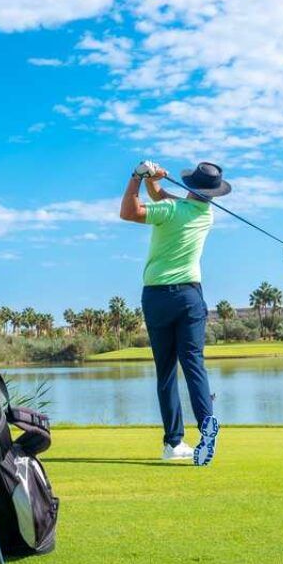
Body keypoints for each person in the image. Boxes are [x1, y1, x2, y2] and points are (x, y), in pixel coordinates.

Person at [119, 161, 231, 465]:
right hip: (190, 297)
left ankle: (173, 442)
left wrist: (136, 177)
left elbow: (129, 212)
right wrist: (154, 180)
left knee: (166, 371)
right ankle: (206, 422)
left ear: (191, 186)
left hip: (156, 297)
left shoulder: (171, 212)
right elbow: (163, 199)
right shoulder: (205, 215)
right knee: (194, 364)